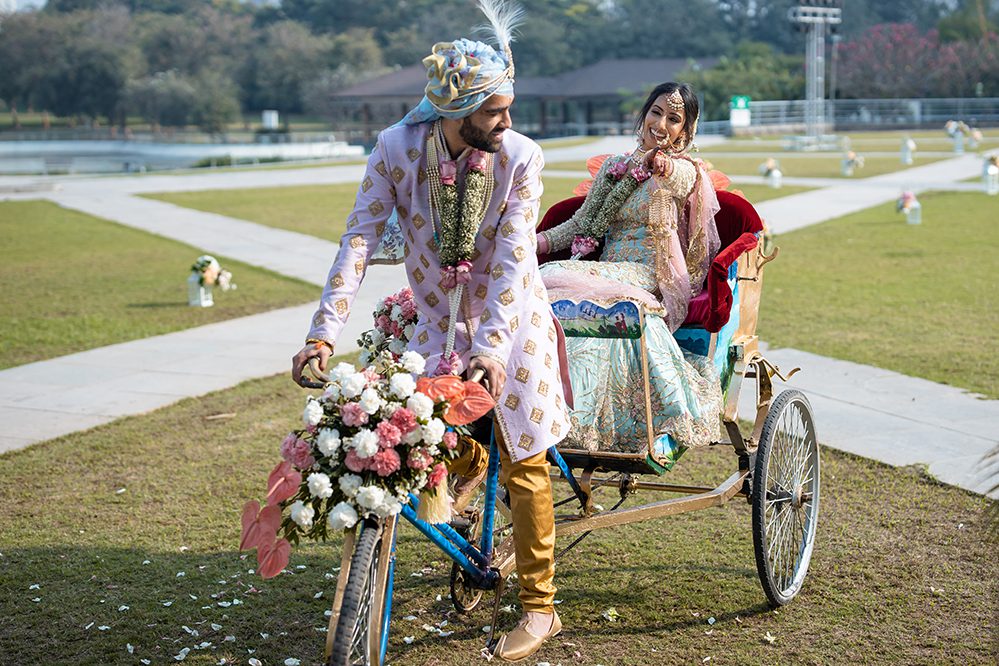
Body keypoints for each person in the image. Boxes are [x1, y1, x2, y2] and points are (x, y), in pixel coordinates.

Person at [290, 2, 569, 661]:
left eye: (508, 107)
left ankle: (539, 609)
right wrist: (323, 333)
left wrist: (494, 351)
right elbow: (358, 239)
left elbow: (509, 262)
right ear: (453, 112)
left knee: (525, 456)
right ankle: (455, 482)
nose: (506, 122)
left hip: (513, 318)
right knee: (405, 429)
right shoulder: (393, 150)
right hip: (436, 320)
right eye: (493, 111)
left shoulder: (521, 158)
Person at [535, 82, 724, 455]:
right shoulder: (614, 167)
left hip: (653, 274)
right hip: (608, 271)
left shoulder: (685, 171)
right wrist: (530, 243)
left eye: (674, 119)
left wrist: (662, 165)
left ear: (685, 132)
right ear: (643, 114)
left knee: (560, 279)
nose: (662, 124)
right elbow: (580, 225)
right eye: (656, 112)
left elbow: (677, 178)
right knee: (548, 282)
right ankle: (559, 409)